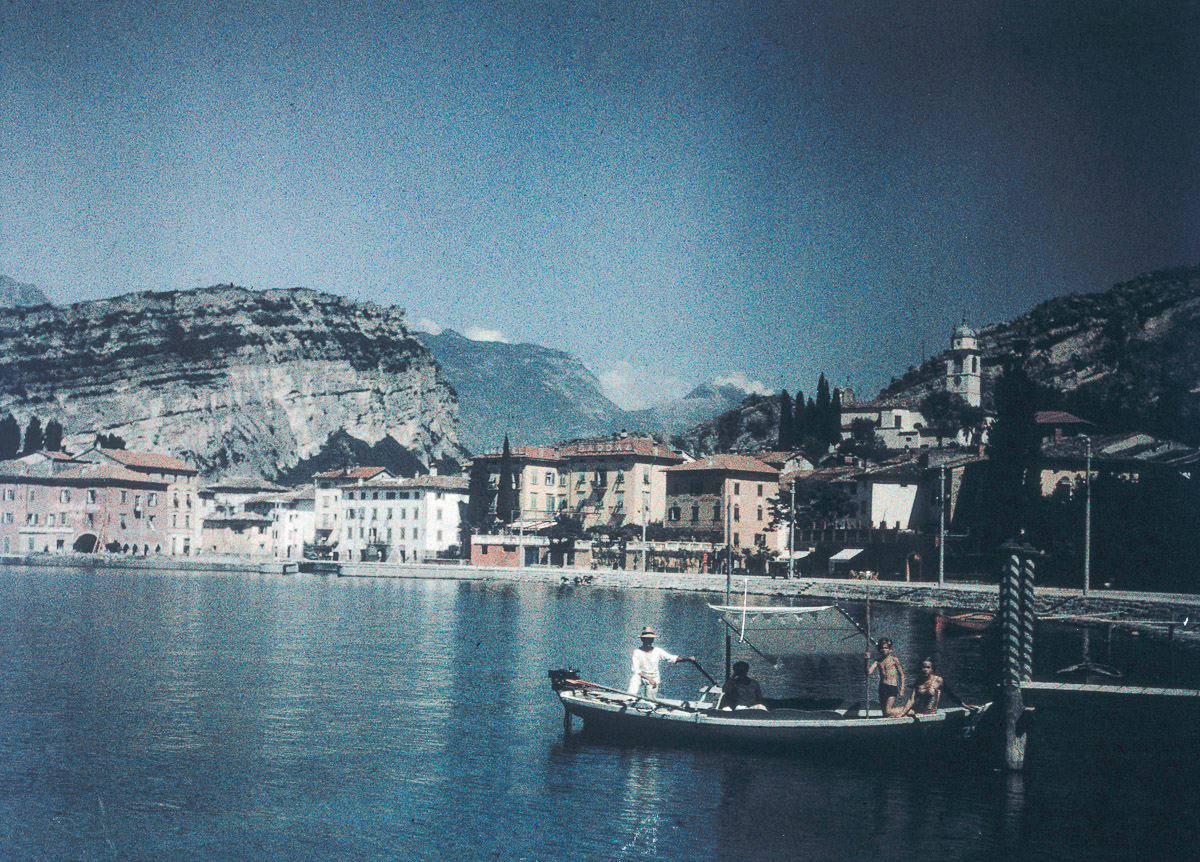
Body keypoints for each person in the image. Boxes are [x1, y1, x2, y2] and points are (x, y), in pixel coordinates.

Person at [627, 626, 694, 698]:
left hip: (654, 678)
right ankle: (630, 698)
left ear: (652, 640)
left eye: (650, 639)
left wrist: (687, 659)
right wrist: (649, 679)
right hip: (642, 677)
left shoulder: (657, 651)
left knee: (650, 701)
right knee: (635, 678)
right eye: (646, 639)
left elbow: (672, 658)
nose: (648, 641)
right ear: (642, 640)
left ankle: (650, 704)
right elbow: (636, 670)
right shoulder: (637, 652)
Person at [865, 638, 906, 717]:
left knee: (888, 711)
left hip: (892, 687)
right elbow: (868, 672)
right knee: (885, 714)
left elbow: (901, 675)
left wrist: (902, 689)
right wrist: (866, 660)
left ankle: (906, 709)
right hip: (882, 688)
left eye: (886, 648)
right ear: (879, 649)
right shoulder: (878, 661)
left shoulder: (894, 660)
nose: (884, 650)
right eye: (882, 648)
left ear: (890, 649)